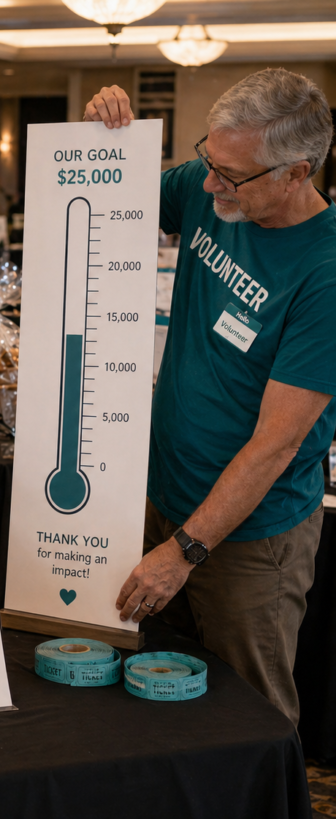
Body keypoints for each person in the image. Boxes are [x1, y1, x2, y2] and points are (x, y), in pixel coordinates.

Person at [85, 68, 336, 724]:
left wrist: (185, 551)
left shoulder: (326, 272)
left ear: (295, 172)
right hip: (164, 498)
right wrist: (107, 136)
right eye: (208, 158)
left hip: (249, 538)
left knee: (246, 715)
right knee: (142, 689)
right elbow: (105, 188)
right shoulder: (212, 191)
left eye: (231, 173)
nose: (207, 183)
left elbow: (276, 443)